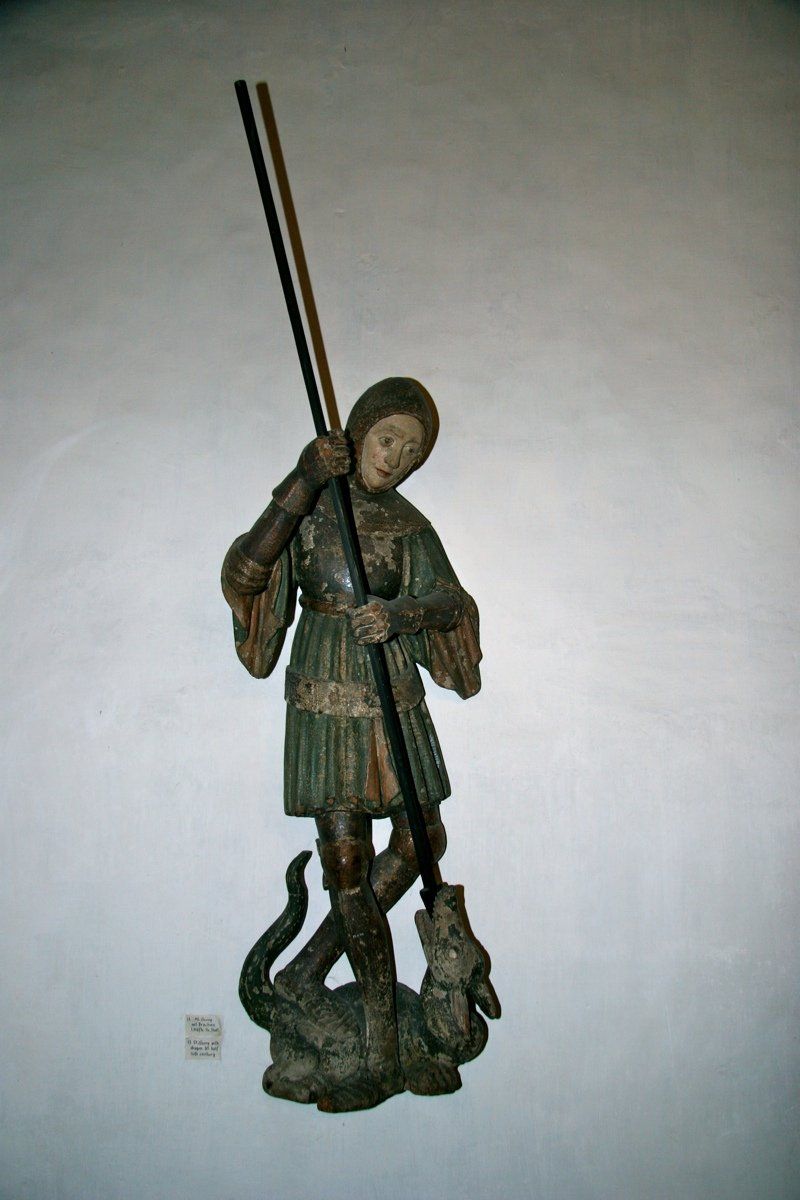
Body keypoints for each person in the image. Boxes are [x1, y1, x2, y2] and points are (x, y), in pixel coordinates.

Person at [222, 377, 481, 1106]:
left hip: (390, 682)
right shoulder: (311, 506)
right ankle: (378, 1043)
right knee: (346, 864)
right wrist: (304, 479)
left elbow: (450, 600)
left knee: (423, 838)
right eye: (387, 438)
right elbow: (245, 570)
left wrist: (401, 615)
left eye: (412, 450)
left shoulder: (406, 523)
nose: (395, 457)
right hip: (326, 686)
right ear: (360, 432)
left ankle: (308, 970)